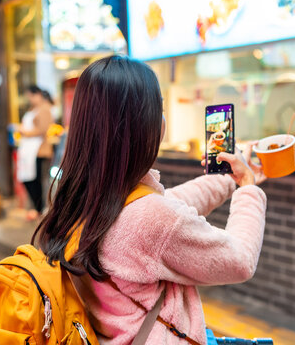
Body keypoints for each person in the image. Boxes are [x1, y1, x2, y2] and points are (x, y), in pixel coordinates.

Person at [32, 56, 267, 344]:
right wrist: (248, 188)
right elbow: (240, 260)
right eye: (160, 108)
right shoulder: (149, 218)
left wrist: (230, 177)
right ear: (142, 125)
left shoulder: (78, 199)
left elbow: (171, 203)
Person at [17, 85, 54, 221]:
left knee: (37, 181)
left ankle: (40, 209)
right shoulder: (33, 109)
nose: (30, 99)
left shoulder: (45, 109)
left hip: (40, 151)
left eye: (31, 96)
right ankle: (37, 208)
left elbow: (43, 129)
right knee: (28, 178)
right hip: (29, 151)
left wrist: (26, 133)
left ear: (38, 94)